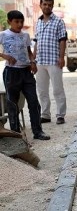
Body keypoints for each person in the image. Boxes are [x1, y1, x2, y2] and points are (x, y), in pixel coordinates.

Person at [0, 10, 50, 140]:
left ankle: (38, 132)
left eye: (21, 21)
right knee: (12, 104)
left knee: (34, 102)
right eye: (16, 22)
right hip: (11, 73)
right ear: (9, 22)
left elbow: (29, 51)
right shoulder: (3, 34)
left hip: (26, 72)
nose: (20, 24)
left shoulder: (26, 36)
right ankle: (16, 135)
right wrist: (4, 55)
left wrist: (33, 61)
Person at [33, 0, 67, 125]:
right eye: (45, 4)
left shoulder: (58, 21)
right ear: (40, 5)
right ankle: (45, 115)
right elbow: (36, 42)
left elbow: (62, 40)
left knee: (57, 89)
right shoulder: (39, 22)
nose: (47, 6)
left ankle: (60, 115)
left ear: (52, 6)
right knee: (42, 90)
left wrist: (61, 57)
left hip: (54, 60)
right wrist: (33, 60)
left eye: (49, 4)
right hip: (40, 61)